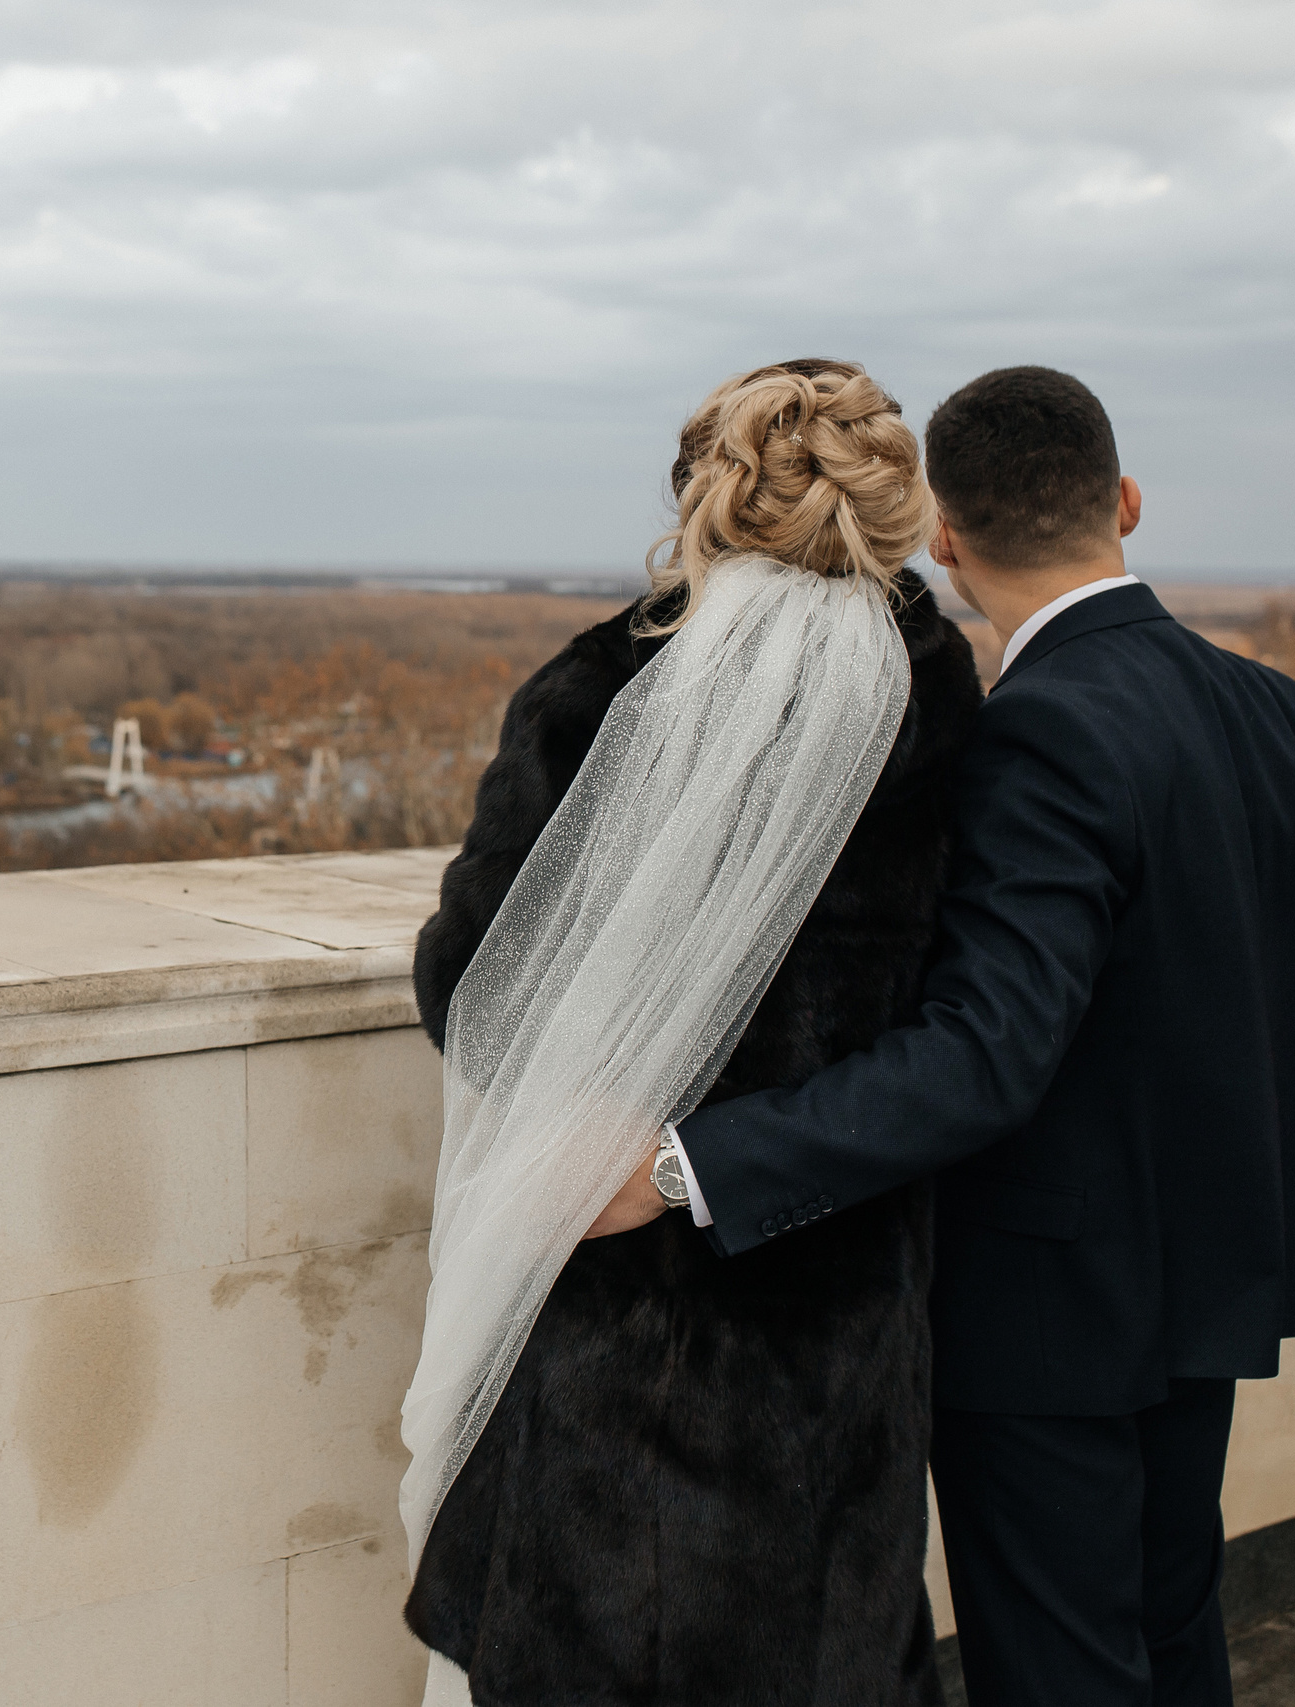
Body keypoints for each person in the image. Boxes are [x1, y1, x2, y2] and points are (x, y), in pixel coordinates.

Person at [594, 366, 1295, 1706]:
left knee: (1063, 1671)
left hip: (1047, 1317)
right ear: (1126, 501)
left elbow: (982, 1056)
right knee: (1175, 1637)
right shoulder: (1279, 709)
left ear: (945, 539)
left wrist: (684, 1166)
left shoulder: (1037, 731)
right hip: (1210, 1277)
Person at [403, 358, 981, 1705]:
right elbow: (957, 1034)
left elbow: (473, 990)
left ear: (703, 497)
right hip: (832, 1321)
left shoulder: (603, 688)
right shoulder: (940, 704)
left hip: (611, 1307)